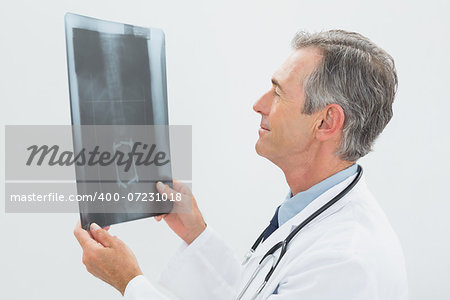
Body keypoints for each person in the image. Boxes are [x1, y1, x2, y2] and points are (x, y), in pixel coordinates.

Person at [74, 29, 408, 299]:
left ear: (326, 122)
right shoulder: (309, 212)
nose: (258, 105)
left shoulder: (345, 263)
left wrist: (129, 283)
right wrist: (195, 233)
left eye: (278, 93)